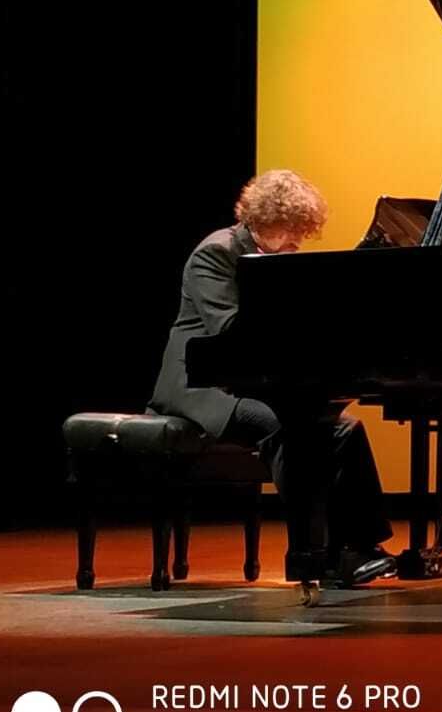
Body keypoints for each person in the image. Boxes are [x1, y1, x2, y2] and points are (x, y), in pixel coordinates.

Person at [148, 169, 396, 587]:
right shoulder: (216, 253)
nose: (299, 239)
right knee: (282, 426)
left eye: (304, 229)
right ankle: (308, 552)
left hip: (249, 380)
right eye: (293, 228)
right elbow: (226, 330)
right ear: (264, 218)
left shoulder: (277, 260)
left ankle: (359, 546)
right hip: (199, 385)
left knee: (345, 429)